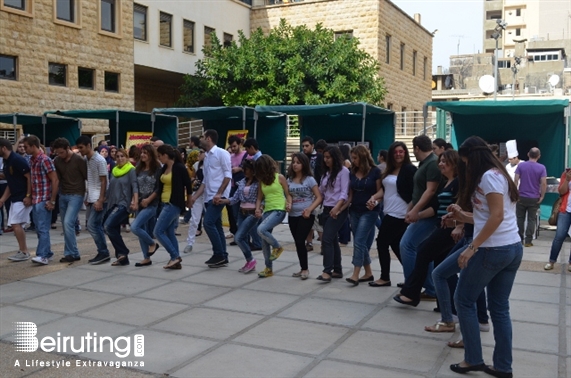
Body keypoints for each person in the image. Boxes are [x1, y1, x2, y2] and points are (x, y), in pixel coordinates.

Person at [446, 136, 521, 377]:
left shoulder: (489, 177)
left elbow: (497, 217)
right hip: (510, 247)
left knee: (464, 299)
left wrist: (472, 247)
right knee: (499, 308)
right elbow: (488, 217)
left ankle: (473, 359)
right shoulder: (498, 175)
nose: (465, 167)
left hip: (494, 249)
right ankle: (502, 366)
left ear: (473, 158)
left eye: (466, 162)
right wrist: (460, 215)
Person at [393, 150, 461, 307]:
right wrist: (416, 215)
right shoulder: (446, 183)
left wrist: (459, 224)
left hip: (450, 229)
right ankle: (446, 304)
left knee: (423, 252)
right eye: (440, 161)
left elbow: (463, 207)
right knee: (442, 268)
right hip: (442, 225)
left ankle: (411, 293)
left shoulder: (458, 183)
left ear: (454, 163)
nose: (441, 164)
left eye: (445, 161)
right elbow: (436, 208)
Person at [399, 135, 441, 297]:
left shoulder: (432, 163)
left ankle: (412, 286)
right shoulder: (426, 163)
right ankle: (429, 288)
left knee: (407, 245)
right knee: (424, 250)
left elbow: (430, 191)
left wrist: (416, 211)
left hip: (429, 214)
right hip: (423, 212)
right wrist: (411, 208)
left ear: (416, 148)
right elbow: (419, 191)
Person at [370, 142, 416, 287]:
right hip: (389, 210)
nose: (398, 154)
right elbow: (385, 191)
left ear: (405, 153)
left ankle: (385, 277)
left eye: (401, 151)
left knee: (382, 242)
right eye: (395, 152)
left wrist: (411, 210)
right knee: (397, 245)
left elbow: (415, 193)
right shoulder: (389, 170)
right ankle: (412, 278)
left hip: (401, 213)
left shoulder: (409, 170)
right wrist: (374, 199)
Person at [191, 129, 232, 268]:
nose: (200, 139)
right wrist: (195, 197)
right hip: (209, 196)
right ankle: (222, 256)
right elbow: (205, 181)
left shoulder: (222, 153)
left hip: (218, 196)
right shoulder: (207, 156)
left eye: (202, 137)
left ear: (208, 138)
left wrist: (219, 193)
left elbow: (228, 175)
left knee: (208, 223)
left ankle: (218, 254)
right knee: (216, 225)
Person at [344, 145, 382, 285]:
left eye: (355, 158)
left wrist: (374, 199)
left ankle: (355, 274)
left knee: (359, 241)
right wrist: (341, 207)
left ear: (363, 157)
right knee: (360, 242)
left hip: (370, 211)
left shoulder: (375, 171)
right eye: (352, 158)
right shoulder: (352, 172)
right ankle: (368, 272)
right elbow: (350, 194)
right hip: (354, 210)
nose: (353, 161)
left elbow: (381, 192)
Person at [155, 144, 192, 269]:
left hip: (173, 203)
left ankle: (175, 256)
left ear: (165, 155)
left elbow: (188, 184)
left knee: (158, 231)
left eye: (160, 156)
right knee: (169, 232)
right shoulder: (164, 167)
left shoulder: (179, 167)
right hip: (164, 203)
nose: (159, 158)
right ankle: (175, 261)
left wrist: (189, 200)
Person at [219, 159, 259, 273]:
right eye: (244, 169)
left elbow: (262, 199)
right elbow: (235, 198)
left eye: (246, 169)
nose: (244, 171)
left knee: (238, 237)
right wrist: (223, 201)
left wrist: (258, 209)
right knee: (243, 238)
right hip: (242, 213)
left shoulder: (259, 183)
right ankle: (249, 261)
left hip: (252, 213)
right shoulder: (242, 182)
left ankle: (251, 260)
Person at [254, 154, 291, 278]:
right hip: (268, 211)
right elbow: (259, 198)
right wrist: (257, 208)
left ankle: (277, 247)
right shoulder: (261, 182)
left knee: (260, 229)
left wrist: (289, 203)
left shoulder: (280, 177)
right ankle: (268, 268)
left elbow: (288, 193)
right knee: (264, 241)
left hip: (279, 210)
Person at [75, 136, 111, 265]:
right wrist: (88, 197)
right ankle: (102, 252)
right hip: (92, 197)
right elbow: (90, 179)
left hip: (99, 198)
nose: (80, 150)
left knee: (92, 225)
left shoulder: (99, 160)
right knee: (93, 226)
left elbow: (104, 181)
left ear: (89, 145)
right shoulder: (87, 159)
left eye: (81, 147)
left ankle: (104, 252)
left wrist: (100, 200)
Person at [317, 146, 350, 282]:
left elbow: (344, 192)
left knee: (326, 239)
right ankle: (337, 269)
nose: (326, 160)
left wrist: (337, 208)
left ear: (335, 158)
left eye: (328, 157)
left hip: (339, 209)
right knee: (333, 240)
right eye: (324, 157)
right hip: (326, 208)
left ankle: (327, 271)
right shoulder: (326, 173)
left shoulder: (343, 171)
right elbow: (321, 191)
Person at [24, 135, 59, 265]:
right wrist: (29, 195)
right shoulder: (32, 160)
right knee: (39, 228)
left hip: (44, 198)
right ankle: (47, 252)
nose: (25, 149)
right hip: (36, 198)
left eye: (27, 147)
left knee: (43, 228)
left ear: (33, 146)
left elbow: (54, 180)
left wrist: (52, 200)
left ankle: (43, 255)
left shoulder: (45, 160)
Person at [287, 153, 322, 280]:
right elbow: (288, 194)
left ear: (304, 164)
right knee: (298, 242)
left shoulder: (310, 180)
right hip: (292, 215)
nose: (295, 164)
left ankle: (305, 269)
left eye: (298, 162)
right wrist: (289, 203)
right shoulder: (289, 179)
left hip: (306, 215)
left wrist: (309, 209)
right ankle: (302, 268)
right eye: (293, 162)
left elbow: (319, 197)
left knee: (300, 240)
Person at [52, 138, 87, 263]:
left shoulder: (78, 160)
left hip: (76, 194)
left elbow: (86, 177)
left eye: (61, 152)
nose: (59, 155)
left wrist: (87, 195)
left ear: (68, 149)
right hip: (63, 194)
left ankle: (72, 253)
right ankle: (71, 252)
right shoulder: (57, 160)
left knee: (68, 222)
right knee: (66, 226)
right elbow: (57, 179)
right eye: (57, 153)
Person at [103, 148, 138, 266]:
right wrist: (102, 198)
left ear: (127, 157)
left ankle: (123, 251)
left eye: (122, 156)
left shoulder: (131, 170)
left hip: (124, 203)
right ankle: (122, 258)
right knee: (114, 228)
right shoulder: (114, 170)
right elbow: (110, 187)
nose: (120, 158)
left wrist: (135, 201)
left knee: (108, 226)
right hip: (112, 203)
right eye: (117, 156)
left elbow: (135, 186)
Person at [0, 138, 32, 260]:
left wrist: (28, 195)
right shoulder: (7, 161)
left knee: (15, 224)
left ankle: (24, 251)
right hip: (16, 196)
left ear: (3, 148)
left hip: (22, 196)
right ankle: (22, 250)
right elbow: (11, 182)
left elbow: (29, 177)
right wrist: (2, 199)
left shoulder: (17, 160)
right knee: (15, 224)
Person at [131, 144, 161, 267]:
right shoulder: (138, 167)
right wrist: (135, 201)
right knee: (140, 229)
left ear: (151, 154)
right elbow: (135, 186)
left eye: (145, 153)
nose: (142, 155)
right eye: (141, 152)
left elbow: (159, 188)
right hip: (140, 203)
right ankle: (146, 258)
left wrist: (148, 200)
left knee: (135, 227)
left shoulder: (157, 168)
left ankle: (152, 243)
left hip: (151, 204)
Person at [514, 147, 546, 247]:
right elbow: (543, 183)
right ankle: (528, 241)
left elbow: (515, 180)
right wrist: (542, 196)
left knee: (520, 218)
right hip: (534, 197)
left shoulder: (521, 166)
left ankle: (519, 240)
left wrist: (515, 193)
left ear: (528, 154)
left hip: (521, 196)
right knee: (532, 219)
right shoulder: (542, 168)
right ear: (539, 156)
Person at [545, 167, 571, 271]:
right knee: (559, 236)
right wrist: (567, 179)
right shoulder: (567, 173)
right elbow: (561, 192)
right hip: (566, 209)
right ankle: (551, 261)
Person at [301, 136, 323, 252]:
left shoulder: (320, 157)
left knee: (318, 217)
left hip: (317, 191)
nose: (304, 148)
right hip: (305, 191)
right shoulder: (301, 158)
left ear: (312, 146)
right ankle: (309, 242)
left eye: (307, 146)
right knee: (307, 216)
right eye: (303, 146)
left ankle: (323, 243)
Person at [184, 148, 205, 252]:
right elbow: (192, 177)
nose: (199, 154)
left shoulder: (212, 164)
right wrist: (194, 180)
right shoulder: (197, 164)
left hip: (209, 194)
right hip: (197, 193)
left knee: (212, 221)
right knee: (194, 219)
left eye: (201, 152)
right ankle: (190, 242)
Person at [227, 135, 247, 242]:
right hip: (233, 186)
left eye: (235, 146)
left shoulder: (246, 155)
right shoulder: (230, 157)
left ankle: (244, 236)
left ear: (239, 144)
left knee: (244, 211)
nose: (233, 149)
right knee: (234, 212)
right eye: (231, 147)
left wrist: (239, 169)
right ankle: (238, 235)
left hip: (243, 186)